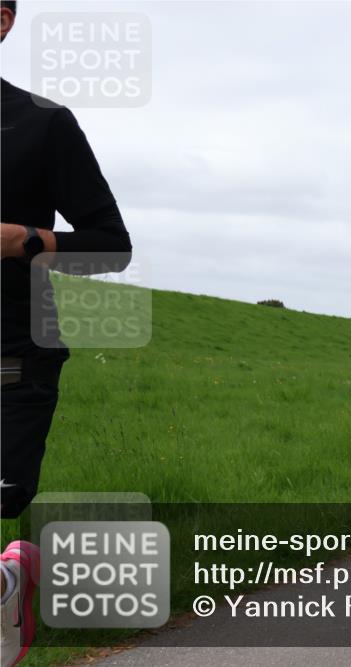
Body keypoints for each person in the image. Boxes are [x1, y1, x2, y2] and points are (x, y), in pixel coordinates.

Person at [1, 3, 133, 664]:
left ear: (3, 20)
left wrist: (27, 239)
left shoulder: (43, 125)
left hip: (14, 345)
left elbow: (111, 247)